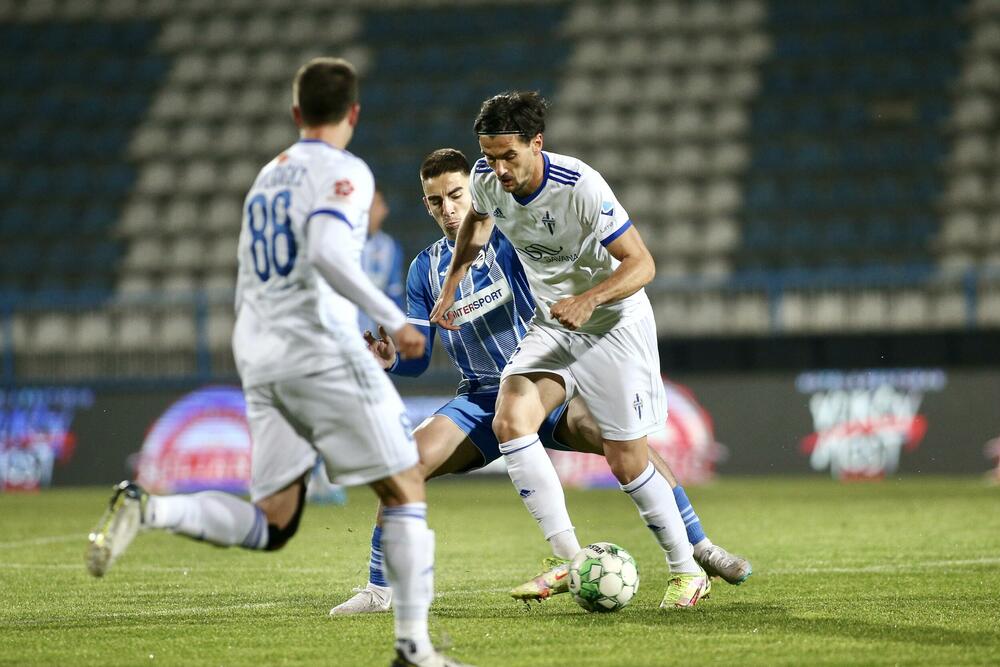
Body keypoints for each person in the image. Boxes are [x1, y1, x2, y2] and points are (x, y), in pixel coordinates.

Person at [85, 58, 471, 667]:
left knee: (274, 520)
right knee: (405, 482)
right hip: (316, 349)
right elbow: (326, 252)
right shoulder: (345, 171)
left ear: (296, 113)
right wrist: (393, 319)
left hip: (260, 357)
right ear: (353, 114)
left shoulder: (267, 177)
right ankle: (414, 648)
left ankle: (148, 506)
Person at [330, 148, 750, 616]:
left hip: (550, 381)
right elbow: (419, 360)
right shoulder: (423, 271)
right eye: (435, 201)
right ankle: (380, 590)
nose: (447, 209)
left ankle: (700, 547)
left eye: (455, 195)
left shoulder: (512, 240)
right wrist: (392, 361)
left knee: (626, 446)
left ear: (475, 191)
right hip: (479, 398)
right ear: (425, 204)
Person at [430, 92, 728, 610]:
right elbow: (477, 222)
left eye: (509, 156)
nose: (499, 170)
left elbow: (642, 264)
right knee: (510, 419)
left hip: (613, 322)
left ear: (536, 143)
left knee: (626, 460)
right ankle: (569, 558)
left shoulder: (579, 186)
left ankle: (686, 570)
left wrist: (589, 299)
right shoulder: (485, 178)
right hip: (554, 322)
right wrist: (454, 280)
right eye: (490, 156)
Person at [359, 188, 406, 334]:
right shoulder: (341, 243)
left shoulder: (390, 247)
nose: (369, 210)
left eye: (375, 204)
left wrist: (401, 329)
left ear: (384, 210)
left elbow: (394, 294)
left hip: (369, 334)